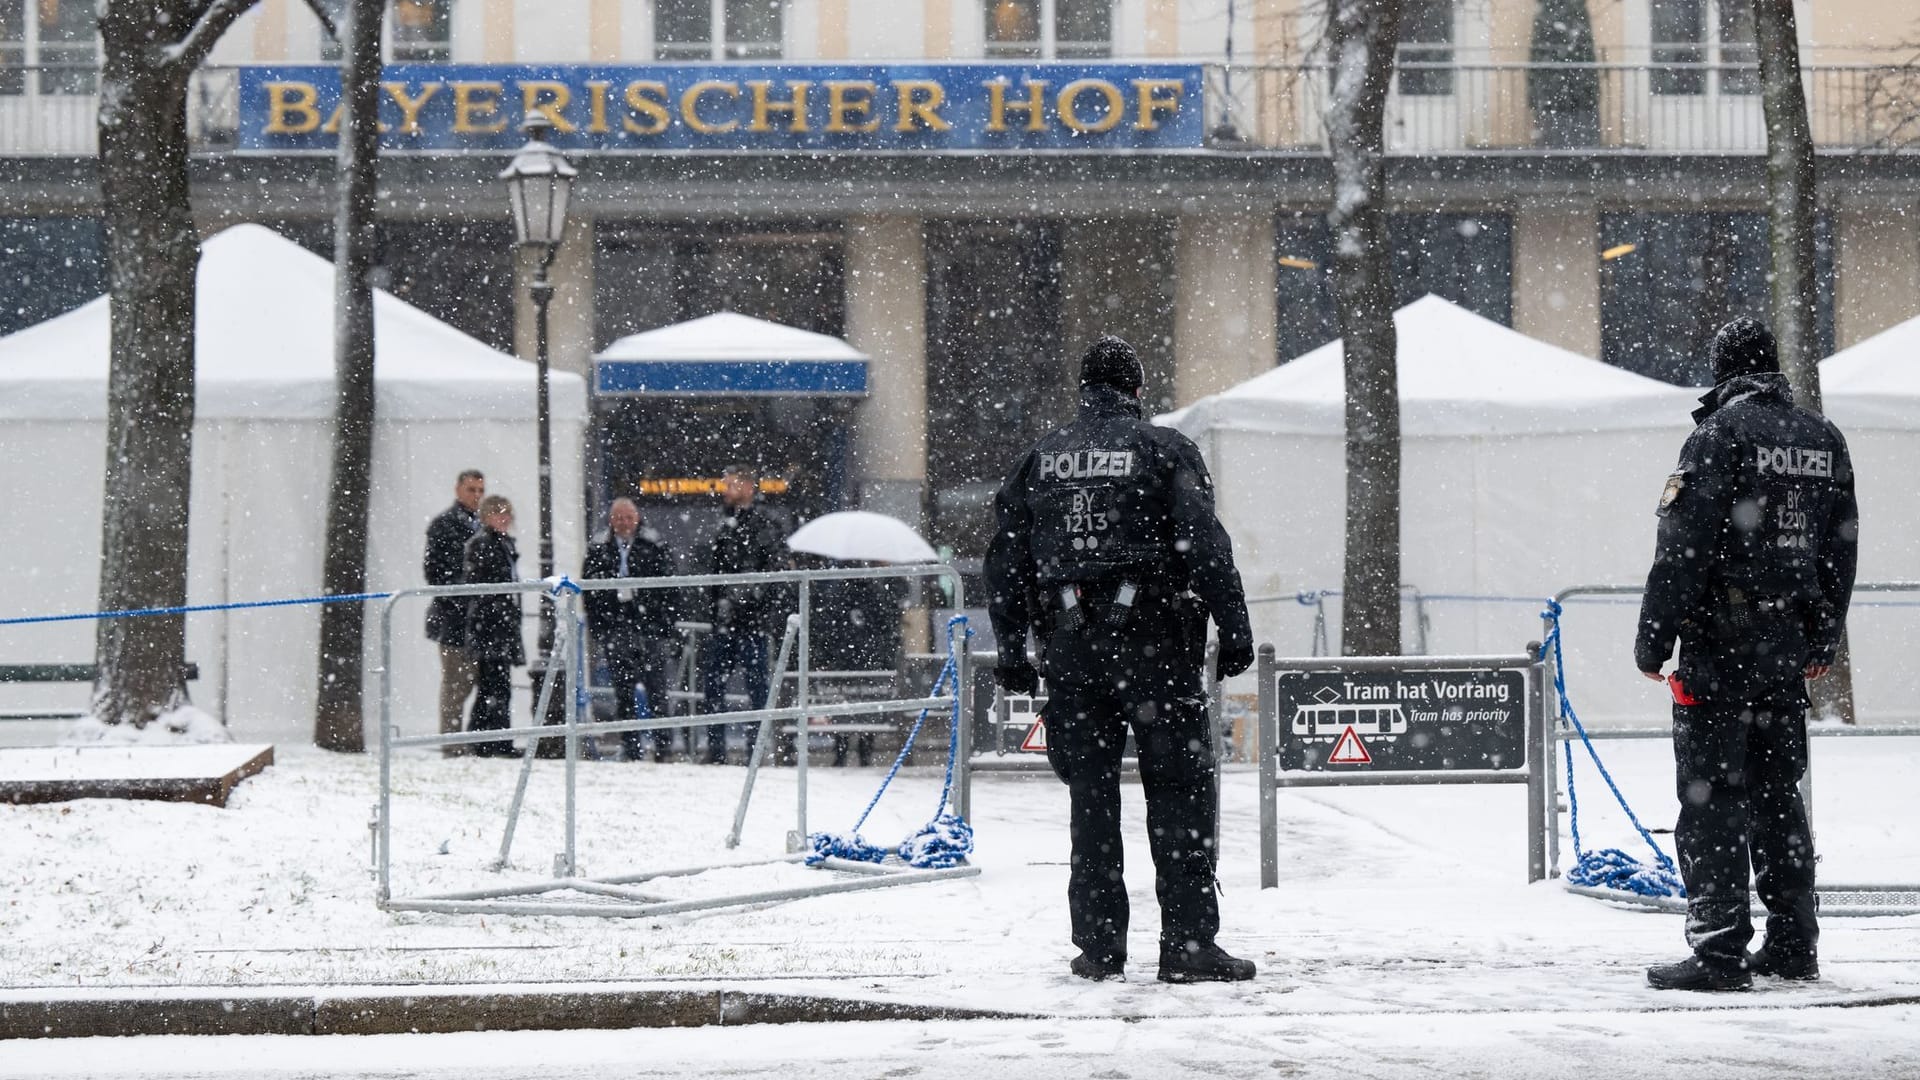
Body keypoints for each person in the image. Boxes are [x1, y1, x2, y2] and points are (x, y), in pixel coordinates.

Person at [985, 335, 1258, 984]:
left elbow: (1006, 562)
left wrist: (1013, 648)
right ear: (1137, 392)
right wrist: (1235, 630)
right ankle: (1189, 947)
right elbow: (1205, 547)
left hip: (1073, 654)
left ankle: (1100, 948)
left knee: (1091, 800)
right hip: (1157, 648)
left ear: (1084, 391)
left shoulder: (1040, 458)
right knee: (1181, 798)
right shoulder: (1165, 452)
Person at [1635, 316, 1859, 992]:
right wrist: (1821, 635)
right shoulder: (1822, 438)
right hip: (1787, 648)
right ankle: (1794, 944)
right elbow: (1839, 548)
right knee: (1779, 798)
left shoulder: (1718, 437)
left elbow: (1683, 549)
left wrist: (1654, 640)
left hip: (1720, 646)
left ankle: (1719, 950)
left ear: (1722, 370)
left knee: (1712, 799)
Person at [699, 464, 789, 765]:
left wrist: (746, 598)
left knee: (755, 688)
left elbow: (772, 572)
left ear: (749, 487)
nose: (726, 490)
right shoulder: (727, 523)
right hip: (728, 620)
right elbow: (717, 570)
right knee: (715, 687)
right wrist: (719, 604)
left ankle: (753, 750)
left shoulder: (763, 523)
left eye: (732, 485)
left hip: (751, 621)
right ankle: (717, 751)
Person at [583, 497, 679, 762]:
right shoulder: (599, 547)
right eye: (619, 518)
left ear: (637, 518)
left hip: (649, 630)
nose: (624, 523)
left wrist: (663, 625)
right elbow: (591, 592)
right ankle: (631, 746)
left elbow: (670, 588)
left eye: (628, 517)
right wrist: (602, 626)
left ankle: (663, 747)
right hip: (617, 629)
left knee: (656, 691)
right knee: (623, 692)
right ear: (611, 520)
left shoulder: (654, 544)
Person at [424, 469, 484, 757]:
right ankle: (451, 741)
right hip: (454, 618)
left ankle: (463, 737)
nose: (476, 496)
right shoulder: (444, 525)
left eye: (479, 491)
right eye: (471, 490)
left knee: (469, 681)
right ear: (458, 489)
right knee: (456, 683)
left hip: (475, 618)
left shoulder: (480, 524)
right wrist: (461, 596)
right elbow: (435, 573)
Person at [463, 495, 527, 759]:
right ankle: (491, 739)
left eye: (507, 514)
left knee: (496, 685)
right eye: (499, 513)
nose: (505, 518)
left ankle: (488, 738)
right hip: (491, 626)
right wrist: (498, 611)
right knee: (493, 685)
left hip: (501, 624)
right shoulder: (483, 544)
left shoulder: (503, 544)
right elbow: (481, 587)